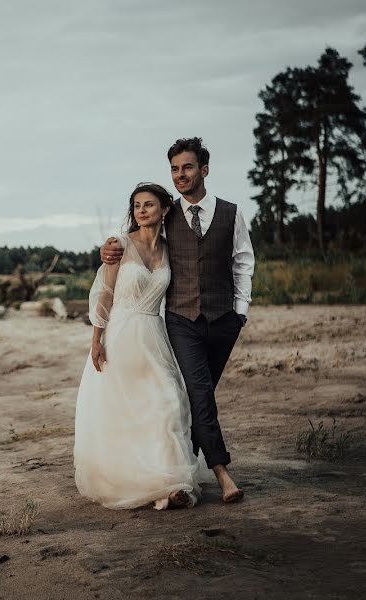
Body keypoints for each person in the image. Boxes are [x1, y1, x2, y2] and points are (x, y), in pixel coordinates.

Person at [100, 137, 254, 504]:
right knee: (198, 395)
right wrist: (108, 248)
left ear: (204, 169)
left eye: (186, 167)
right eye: (174, 169)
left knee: (197, 399)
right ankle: (222, 473)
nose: (180, 174)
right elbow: (134, 239)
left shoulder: (232, 213)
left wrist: (241, 313)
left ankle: (174, 472)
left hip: (224, 321)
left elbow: (243, 262)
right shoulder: (165, 218)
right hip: (180, 321)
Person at [74, 182, 209, 511]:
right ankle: (139, 479)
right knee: (125, 412)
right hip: (120, 338)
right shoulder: (119, 246)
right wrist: (96, 340)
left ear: (165, 209)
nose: (142, 210)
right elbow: (103, 294)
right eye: (136, 205)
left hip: (154, 336)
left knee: (167, 404)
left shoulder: (169, 249)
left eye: (149, 204)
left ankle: (171, 483)